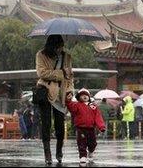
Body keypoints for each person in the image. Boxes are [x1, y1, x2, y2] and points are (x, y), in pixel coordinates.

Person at [35, 35, 74, 164]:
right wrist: (60, 73)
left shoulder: (67, 57)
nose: (60, 49)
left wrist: (69, 91)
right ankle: (47, 153)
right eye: (58, 47)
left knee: (59, 124)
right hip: (46, 91)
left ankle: (59, 150)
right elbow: (42, 73)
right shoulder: (41, 55)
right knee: (46, 124)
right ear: (51, 46)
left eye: (61, 46)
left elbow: (70, 77)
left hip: (61, 93)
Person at [66, 88, 105, 163]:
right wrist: (68, 101)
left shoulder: (93, 107)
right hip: (81, 128)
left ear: (89, 97)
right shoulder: (76, 105)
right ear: (78, 97)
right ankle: (83, 156)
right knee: (81, 142)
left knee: (92, 143)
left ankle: (91, 151)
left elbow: (98, 117)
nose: (84, 97)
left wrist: (101, 126)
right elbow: (71, 108)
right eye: (82, 95)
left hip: (91, 128)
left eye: (86, 95)